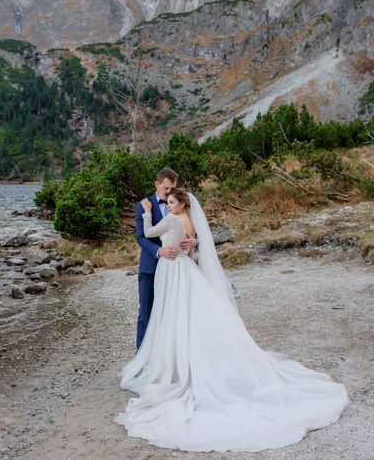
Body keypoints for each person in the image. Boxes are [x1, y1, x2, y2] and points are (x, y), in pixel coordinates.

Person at [116, 189, 348, 453]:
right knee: (187, 315)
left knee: (174, 315)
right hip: (186, 269)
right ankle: (183, 357)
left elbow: (147, 234)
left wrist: (146, 212)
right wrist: (189, 245)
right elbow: (190, 252)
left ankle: (176, 363)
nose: (167, 205)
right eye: (166, 201)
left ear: (181, 204)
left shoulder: (171, 220)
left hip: (173, 271)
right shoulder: (190, 223)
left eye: (171, 202)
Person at [134, 168, 196, 350]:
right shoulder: (144, 205)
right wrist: (159, 250)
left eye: (173, 188)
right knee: (146, 312)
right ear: (157, 184)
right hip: (150, 268)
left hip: (176, 270)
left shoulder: (179, 203)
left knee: (172, 312)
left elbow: (192, 229)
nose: (170, 192)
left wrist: (194, 240)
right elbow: (141, 237)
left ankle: (168, 354)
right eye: (166, 188)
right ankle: (142, 354)